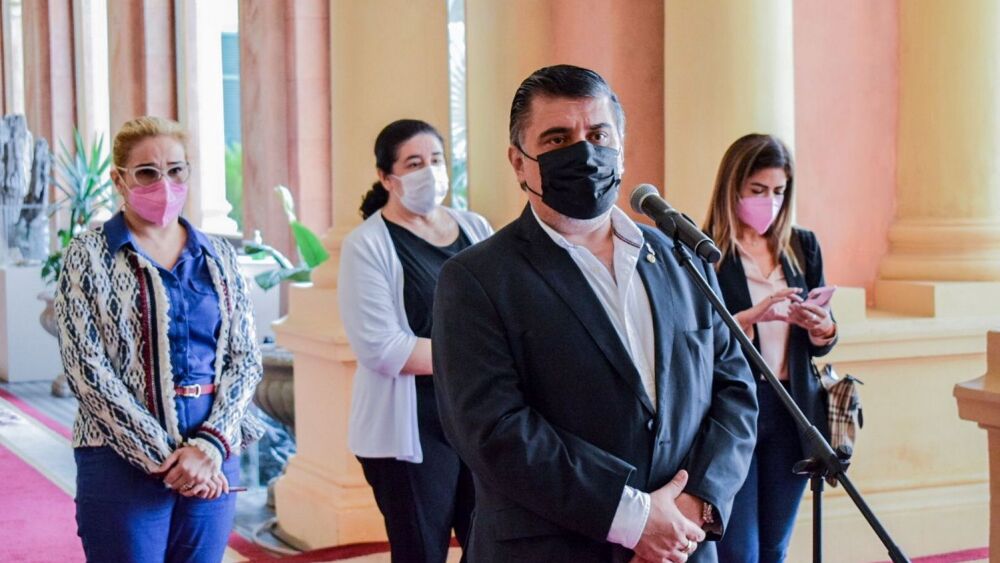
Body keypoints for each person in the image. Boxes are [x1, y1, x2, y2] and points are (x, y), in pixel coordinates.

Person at [431, 64, 758, 563]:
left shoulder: (680, 255)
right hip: (552, 549)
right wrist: (634, 518)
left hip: (681, 546)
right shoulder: (476, 279)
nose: (584, 153)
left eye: (598, 135)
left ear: (621, 148)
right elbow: (493, 430)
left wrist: (693, 507)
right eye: (558, 139)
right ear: (519, 163)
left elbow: (735, 387)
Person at [54, 116, 263, 562]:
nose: (164, 183)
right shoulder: (88, 255)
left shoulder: (217, 255)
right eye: (148, 172)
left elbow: (246, 358)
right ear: (119, 179)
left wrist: (209, 446)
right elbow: (85, 368)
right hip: (117, 455)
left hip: (212, 450)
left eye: (176, 170)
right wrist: (167, 460)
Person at [338, 119, 493, 562]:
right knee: (421, 552)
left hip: (478, 417)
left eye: (437, 160)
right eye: (414, 163)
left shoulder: (475, 227)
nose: (430, 171)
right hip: (412, 427)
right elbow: (384, 349)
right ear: (388, 178)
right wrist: (482, 357)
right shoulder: (367, 245)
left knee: (491, 544)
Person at [704, 134, 838, 563]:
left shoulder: (802, 246)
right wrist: (750, 316)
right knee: (737, 550)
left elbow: (820, 345)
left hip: (791, 408)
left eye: (779, 192)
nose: (770, 202)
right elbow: (692, 339)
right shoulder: (704, 251)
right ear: (733, 189)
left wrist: (822, 327)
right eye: (758, 191)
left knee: (773, 547)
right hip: (733, 409)